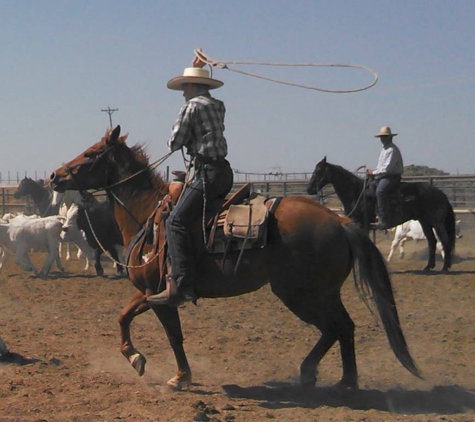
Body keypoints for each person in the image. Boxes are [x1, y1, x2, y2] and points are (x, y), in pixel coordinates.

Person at [148, 56, 234, 307]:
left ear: (194, 86)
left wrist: (177, 142)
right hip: (224, 172)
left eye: (185, 87)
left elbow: (176, 141)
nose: (183, 93)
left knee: (176, 221)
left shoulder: (191, 107)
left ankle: (182, 285)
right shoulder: (218, 105)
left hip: (207, 173)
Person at [366, 126, 404, 229]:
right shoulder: (385, 149)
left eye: (384, 137)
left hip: (391, 177)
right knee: (369, 187)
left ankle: (384, 219)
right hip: (383, 176)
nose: (382, 139)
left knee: (380, 191)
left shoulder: (391, 150)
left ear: (390, 138)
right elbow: (382, 167)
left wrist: (373, 172)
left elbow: (387, 168)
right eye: (381, 137)